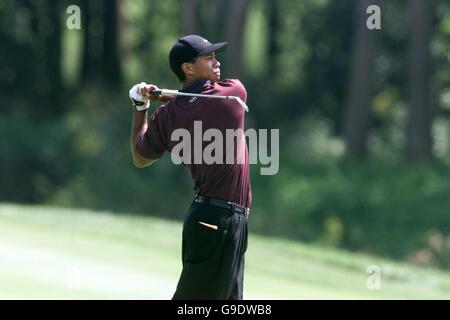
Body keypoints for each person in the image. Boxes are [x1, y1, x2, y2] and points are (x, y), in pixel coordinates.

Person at [128, 35, 251, 300]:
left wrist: (141, 107)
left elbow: (140, 155)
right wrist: (169, 99)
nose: (217, 63)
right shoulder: (231, 95)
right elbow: (210, 97)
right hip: (217, 220)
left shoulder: (168, 115)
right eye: (208, 58)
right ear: (187, 67)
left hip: (220, 219)